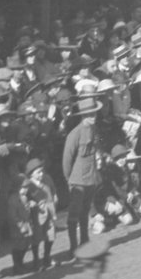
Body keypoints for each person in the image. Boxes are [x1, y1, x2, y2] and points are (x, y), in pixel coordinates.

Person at [62, 99, 101, 256]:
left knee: (85, 210)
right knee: (74, 213)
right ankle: (73, 247)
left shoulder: (94, 129)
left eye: (94, 113)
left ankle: (85, 240)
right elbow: (67, 158)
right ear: (83, 115)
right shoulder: (75, 133)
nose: (93, 116)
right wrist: (69, 179)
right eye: (89, 114)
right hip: (77, 178)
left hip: (91, 176)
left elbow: (95, 149)